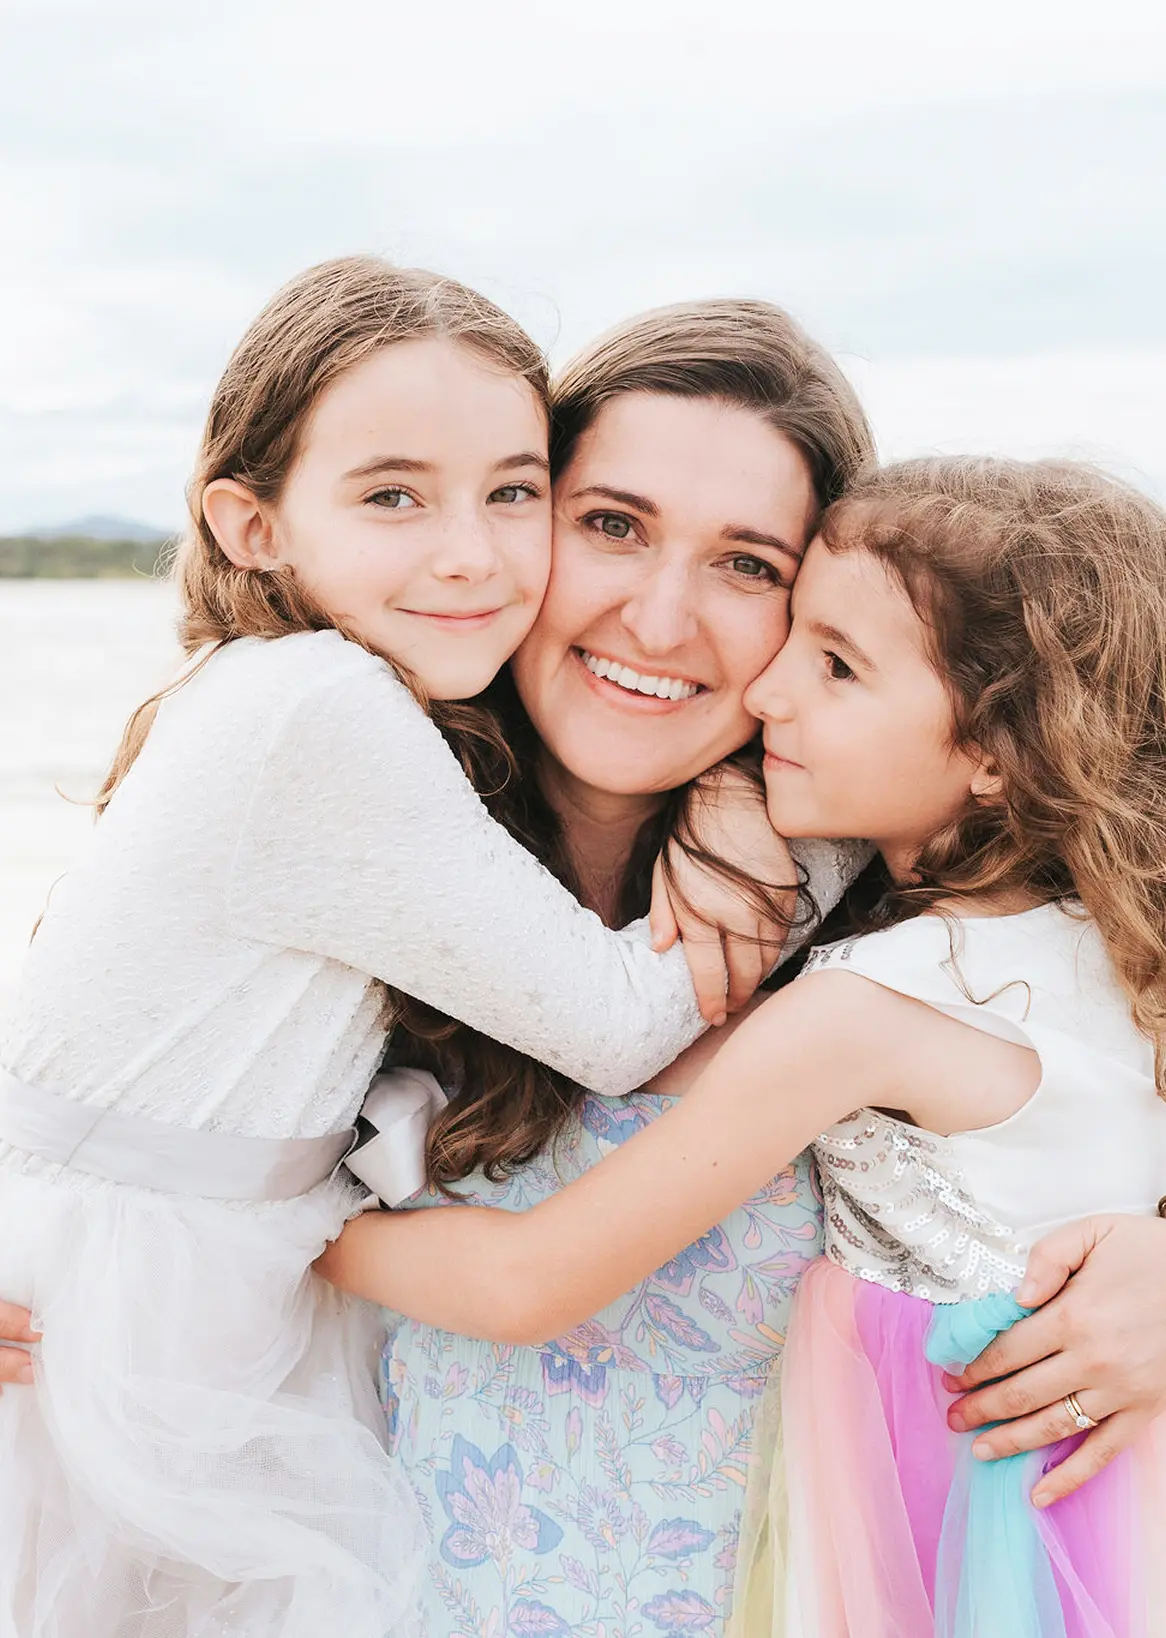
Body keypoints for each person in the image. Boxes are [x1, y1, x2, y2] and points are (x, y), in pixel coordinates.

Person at [0, 256, 802, 1638]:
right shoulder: (323, 712)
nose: (471, 554)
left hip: (190, 1302)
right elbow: (615, 1024)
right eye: (391, 495)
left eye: (510, 491)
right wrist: (804, 821)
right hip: (118, 1326)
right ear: (252, 526)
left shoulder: (329, 706)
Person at [320, 455, 1166, 1635]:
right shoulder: (1114, 940)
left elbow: (526, 1283)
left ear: (994, 753)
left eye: (833, 667)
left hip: (941, 1515)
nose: (766, 692)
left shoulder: (854, 1014)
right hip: (1105, 1514)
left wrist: (287, 1234)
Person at [360, 298, 876, 1637]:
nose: (658, 616)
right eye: (612, 524)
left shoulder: (882, 913)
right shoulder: (344, 849)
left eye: (746, 564)